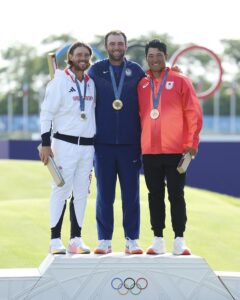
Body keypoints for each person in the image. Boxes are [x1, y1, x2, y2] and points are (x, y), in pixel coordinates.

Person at [137, 39, 202, 255]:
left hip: (176, 150)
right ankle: (157, 239)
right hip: (150, 151)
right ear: (146, 58)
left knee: (176, 194)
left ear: (166, 56)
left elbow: (193, 112)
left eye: (158, 55)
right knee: (154, 195)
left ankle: (179, 239)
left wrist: (191, 143)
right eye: (150, 56)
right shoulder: (142, 84)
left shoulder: (180, 80)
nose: (154, 59)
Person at [88, 30, 145, 254]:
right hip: (102, 143)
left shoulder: (136, 71)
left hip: (131, 143)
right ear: (106, 46)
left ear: (126, 45)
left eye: (119, 43)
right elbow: (81, 86)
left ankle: (132, 239)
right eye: (112, 44)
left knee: (131, 194)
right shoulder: (96, 70)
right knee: (105, 194)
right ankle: (104, 240)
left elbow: (152, 85)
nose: (116, 47)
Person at [39, 42, 96, 254]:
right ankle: (55, 240)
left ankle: (76, 239)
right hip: (64, 144)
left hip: (87, 146)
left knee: (82, 192)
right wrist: (45, 143)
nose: (83, 58)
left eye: (86, 55)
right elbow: (47, 113)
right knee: (61, 189)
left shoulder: (91, 82)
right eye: (78, 54)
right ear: (70, 57)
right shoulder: (59, 81)